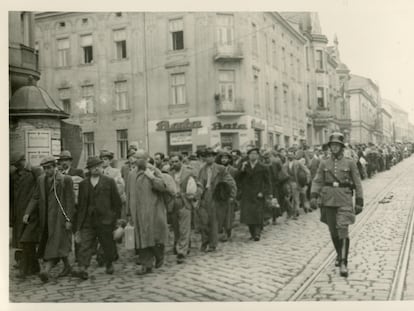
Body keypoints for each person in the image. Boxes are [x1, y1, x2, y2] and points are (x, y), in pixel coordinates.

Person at [310, 132, 364, 277]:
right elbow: (317, 180)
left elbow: (358, 182)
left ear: (341, 147)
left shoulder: (350, 162)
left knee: (343, 230)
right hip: (328, 201)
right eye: (332, 145)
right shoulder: (324, 162)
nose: (334, 148)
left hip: (344, 199)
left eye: (336, 145)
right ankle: (339, 254)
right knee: (333, 232)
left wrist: (359, 200)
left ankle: (344, 263)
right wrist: (314, 195)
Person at [24, 156, 75, 283]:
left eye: (49, 168)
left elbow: (70, 201)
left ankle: (46, 271)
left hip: (60, 218)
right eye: (44, 168)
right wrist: (27, 213)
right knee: (57, 244)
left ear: (55, 166)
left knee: (55, 243)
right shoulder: (41, 180)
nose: (47, 171)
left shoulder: (65, 180)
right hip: (46, 219)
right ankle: (68, 266)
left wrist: (69, 219)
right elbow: (35, 197)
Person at [72, 156, 122, 280]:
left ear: (101, 167)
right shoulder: (84, 184)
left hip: (105, 219)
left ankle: (109, 263)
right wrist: (79, 224)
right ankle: (83, 268)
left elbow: (116, 202)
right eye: (93, 167)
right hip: (88, 220)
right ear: (88, 169)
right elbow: (82, 205)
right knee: (85, 244)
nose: (96, 169)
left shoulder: (109, 181)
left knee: (107, 244)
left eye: (98, 166)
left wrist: (116, 220)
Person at [126, 150, 169, 275]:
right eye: (134, 158)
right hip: (137, 213)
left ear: (145, 159)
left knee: (153, 238)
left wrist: (152, 178)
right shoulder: (131, 174)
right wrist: (128, 212)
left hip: (153, 211)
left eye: (138, 158)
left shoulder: (153, 171)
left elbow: (163, 187)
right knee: (141, 239)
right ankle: (146, 265)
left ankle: (159, 255)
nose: (134, 160)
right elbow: (128, 194)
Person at [198, 148, 236, 251]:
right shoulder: (202, 169)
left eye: (211, 156)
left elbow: (230, 182)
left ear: (214, 157)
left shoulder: (220, 169)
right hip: (204, 196)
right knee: (203, 221)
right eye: (206, 156)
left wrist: (231, 195)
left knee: (213, 221)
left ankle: (212, 244)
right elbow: (199, 183)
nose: (208, 158)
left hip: (215, 196)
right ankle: (204, 241)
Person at [10, 153, 39, 278]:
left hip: (32, 212)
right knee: (26, 242)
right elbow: (10, 197)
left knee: (26, 240)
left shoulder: (34, 172)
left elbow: (40, 191)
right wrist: (11, 216)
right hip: (18, 213)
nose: (17, 166)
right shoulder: (13, 176)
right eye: (15, 165)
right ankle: (34, 266)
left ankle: (24, 269)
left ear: (24, 160)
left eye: (18, 163)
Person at [169, 153, 200, 264]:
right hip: (173, 204)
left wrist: (194, 196)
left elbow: (198, 186)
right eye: (172, 162)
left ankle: (181, 252)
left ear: (181, 161)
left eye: (176, 161)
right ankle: (183, 245)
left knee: (184, 228)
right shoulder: (169, 173)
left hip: (185, 202)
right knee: (176, 228)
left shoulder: (189, 173)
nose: (174, 164)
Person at [236, 146, 271, 241]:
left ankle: (257, 233)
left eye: (255, 154)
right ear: (248, 156)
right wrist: (242, 169)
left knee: (258, 214)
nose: (253, 156)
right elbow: (238, 179)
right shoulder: (244, 166)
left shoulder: (263, 167)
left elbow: (267, 182)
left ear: (258, 156)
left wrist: (263, 192)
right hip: (247, 194)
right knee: (248, 215)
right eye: (251, 154)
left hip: (258, 193)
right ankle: (252, 233)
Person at [282, 147, 311, 219]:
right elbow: (283, 173)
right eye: (288, 154)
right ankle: (289, 211)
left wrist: (307, 181)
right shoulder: (285, 164)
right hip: (287, 183)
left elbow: (307, 171)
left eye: (291, 154)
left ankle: (295, 213)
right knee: (287, 198)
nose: (290, 156)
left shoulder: (298, 163)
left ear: (294, 155)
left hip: (296, 183)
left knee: (295, 198)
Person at [216, 150, 238, 241]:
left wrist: (233, 195)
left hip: (229, 194)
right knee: (220, 214)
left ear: (229, 159)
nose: (224, 160)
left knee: (229, 215)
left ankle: (227, 231)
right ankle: (220, 230)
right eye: (222, 158)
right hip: (219, 194)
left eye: (226, 158)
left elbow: (235, 184)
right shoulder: (217, 168)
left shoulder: (233, 170)